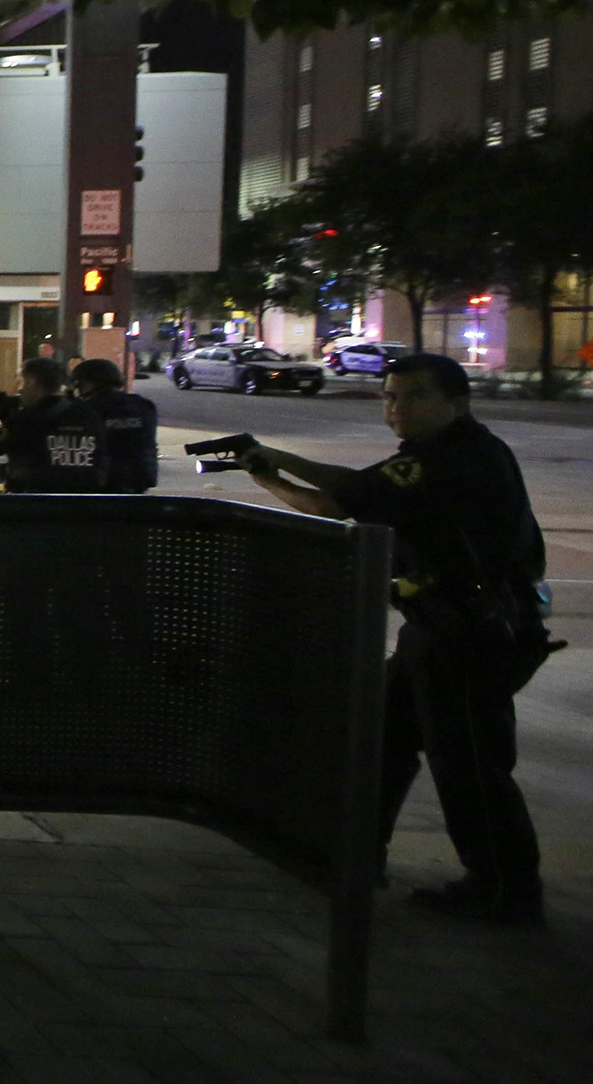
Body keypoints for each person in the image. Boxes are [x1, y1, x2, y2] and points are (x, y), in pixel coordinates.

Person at [237, 354, 556, 926]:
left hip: (465, 633)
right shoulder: (451, 451)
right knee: (381, 739)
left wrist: (269, 480)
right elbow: (363, 486)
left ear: (457, 403)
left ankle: (505, 889)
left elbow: (336, 505)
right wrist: (279, 460)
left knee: (468, 763)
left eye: (415, 397)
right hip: (440, 627)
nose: (397, 409)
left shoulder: (447, 459)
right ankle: (358, 854)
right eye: (389, 397)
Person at [0, 355, 106, 492]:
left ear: (31, 382)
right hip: (82, 505)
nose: (20, 390)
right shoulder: (87, 414)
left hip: (33, 504)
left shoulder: (26, 418)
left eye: (22, 382)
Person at [68, 357, 158, 493]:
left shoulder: (87, 410)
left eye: (80, 385)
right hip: (139, 482)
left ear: (89, 384)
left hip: (102, 487)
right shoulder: (143, 406)